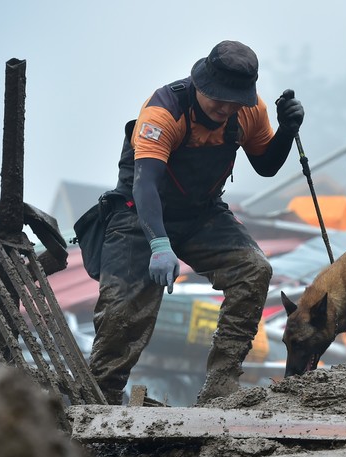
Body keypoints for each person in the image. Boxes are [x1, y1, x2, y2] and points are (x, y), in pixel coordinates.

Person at [87, 40, 304, 405]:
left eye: (234, 100)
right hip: (140, 213)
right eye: (218, 98)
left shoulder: (249, 111)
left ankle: (221, 385)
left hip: (202, 213)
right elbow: (146, 187)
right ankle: (100, 398)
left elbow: (266, 166)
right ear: (199, 85)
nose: (225, 108)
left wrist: (286, 130)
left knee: (254, 271)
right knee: (124, 310)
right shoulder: (163, 112)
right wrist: (159, 244)